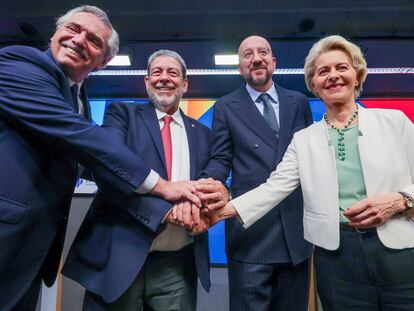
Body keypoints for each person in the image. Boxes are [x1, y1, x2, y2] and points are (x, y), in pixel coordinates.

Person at [0, 6, 201, 311]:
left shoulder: (79, 96)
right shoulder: (20, 63)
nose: (79, 40)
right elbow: (83, 139)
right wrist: (162, 188)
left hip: (32, 242)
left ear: (104, 60)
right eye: (72, 29)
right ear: (55, 33)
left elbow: (83, 159)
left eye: (94, 40)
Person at [212, 35, 414, 310]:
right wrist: (219, 213)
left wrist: (401, 200)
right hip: (336, 257)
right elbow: (276, 186)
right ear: (314, 85)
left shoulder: (395, 122)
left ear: (357, 74)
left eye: (341, 68)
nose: (333, 76)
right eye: (323, 71)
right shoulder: (305, 139)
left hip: (400, 253)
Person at [63, 50, 228, 311]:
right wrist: (167, 212)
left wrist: (205, 203)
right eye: (157, 73)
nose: (164, 78)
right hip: (119, 255)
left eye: (172, 73)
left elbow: (212, 177)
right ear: (147, 82)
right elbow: (108, 171)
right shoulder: (121, 115)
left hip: (177, 264)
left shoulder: (204, 133)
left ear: (185, 84)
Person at [198, 35, 313, 311]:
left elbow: (311, 158)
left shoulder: (298, 102)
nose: (256, 58)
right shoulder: (225, 106)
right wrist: (210, 183)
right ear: (240, 68)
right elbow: (220, 157)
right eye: (247, 54)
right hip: (250, 230)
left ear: (273, 62)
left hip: (295, 229)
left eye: (263, 52)